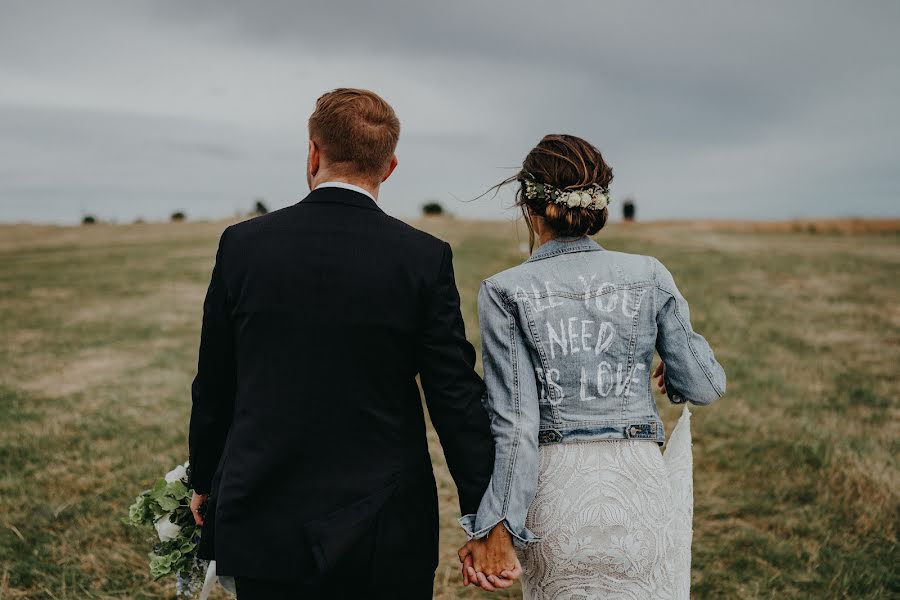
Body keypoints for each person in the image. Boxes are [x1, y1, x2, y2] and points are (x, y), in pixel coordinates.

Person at [186, 88, 519, 599]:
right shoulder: (423, 259)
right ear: (389, 167)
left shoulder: (243, 246)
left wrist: (205, 481)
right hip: (384, 528)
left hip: (263, 517)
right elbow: (454, 397)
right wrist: (486, 518)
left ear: (313, 153)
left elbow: (215, 381)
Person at [458, 134, 726, 598]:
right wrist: (673, 366)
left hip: (556, 505)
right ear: (598, 205)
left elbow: (516, 424)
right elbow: (705, 385)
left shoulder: (504, 290)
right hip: (640, 493)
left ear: (529, 205)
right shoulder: (649, 274)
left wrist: (497, 527)